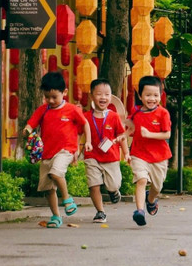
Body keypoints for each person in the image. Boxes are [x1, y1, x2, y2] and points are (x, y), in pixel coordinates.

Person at [23, 72, 91, 228]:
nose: (51, 100)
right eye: (47, 97)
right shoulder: (43, 109)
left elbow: (85, 124)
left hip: (65, 150)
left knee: (56, 173)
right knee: (48, 189)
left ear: (64, 92)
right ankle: (56, 216)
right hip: (46, 153)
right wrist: (27, 131)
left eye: (54, 97)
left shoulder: (72, 109)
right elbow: (31, 124)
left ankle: (68, 199)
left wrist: (87, 142)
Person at [125, 75, 171, 227]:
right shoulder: (136, 111)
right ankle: (139, 211)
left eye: (156, 95)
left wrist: (149, 134)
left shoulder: (163, 113)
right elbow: (130, 126)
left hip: (159, 157)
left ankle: (150, 200)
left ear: (161, 95)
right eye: (148, 95)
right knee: (141, 180)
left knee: (157, 187)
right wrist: (121, 135)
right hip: (139, 154)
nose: (152, 98)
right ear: (140, 96)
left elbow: (167, 134)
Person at [83, 79, 128, 223]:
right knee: (93, 184)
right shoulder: (85, 117)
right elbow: (77, 133)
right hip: (92, 156)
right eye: (99, 94)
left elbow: (122, 137)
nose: (103, 97)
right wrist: (73, 151)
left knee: (113, 184)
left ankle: (114, 191)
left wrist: (126, 153)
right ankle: (100, 212)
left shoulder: (114, 117)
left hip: (111, 157)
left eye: (107, 94)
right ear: (91, 96)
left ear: (111, 97)